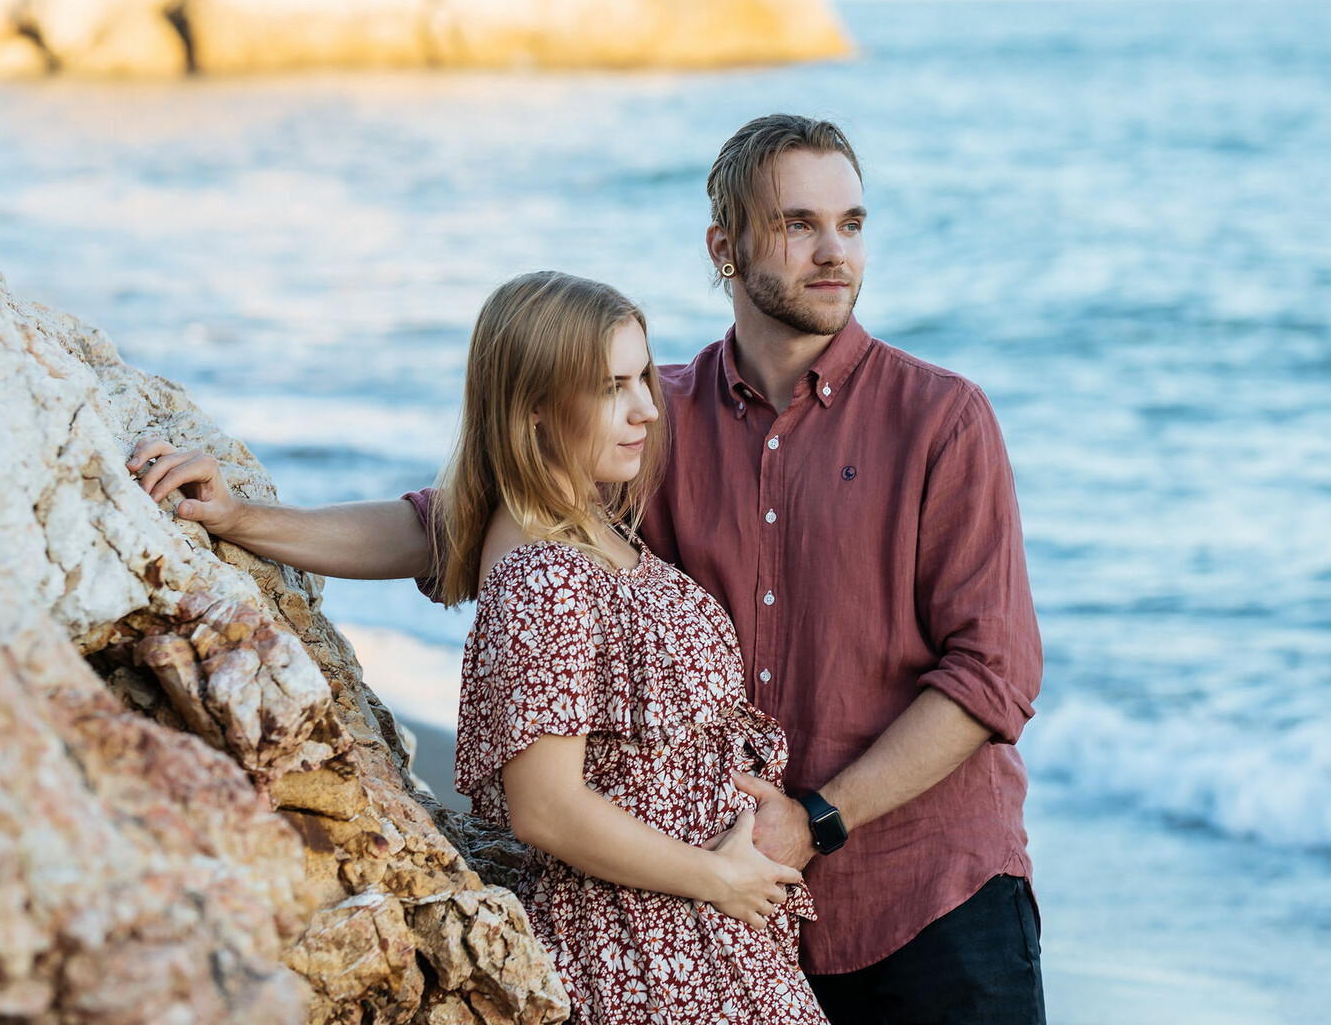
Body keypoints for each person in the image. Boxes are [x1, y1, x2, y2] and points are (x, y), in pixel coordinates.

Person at [135, 113, 1046, 1024]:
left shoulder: (942, 421)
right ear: (724, 248)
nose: (833, 253)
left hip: (931, 897)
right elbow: (448, 524)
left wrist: (818, 817)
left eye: (851, 224)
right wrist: (241, 519)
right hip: (723, 920)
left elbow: (991, 676)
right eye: (799, 224)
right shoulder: (657, 421)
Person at [131, 272, 830, 1024]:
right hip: (652, 953)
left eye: (642, 378)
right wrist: (717, 880)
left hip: (707, 941)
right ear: (534, 407)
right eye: (613, 387)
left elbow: (429, 526)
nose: (647, 409)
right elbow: (546, 809)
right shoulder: (544, 574)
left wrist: (243, 517)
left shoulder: (581, 523)